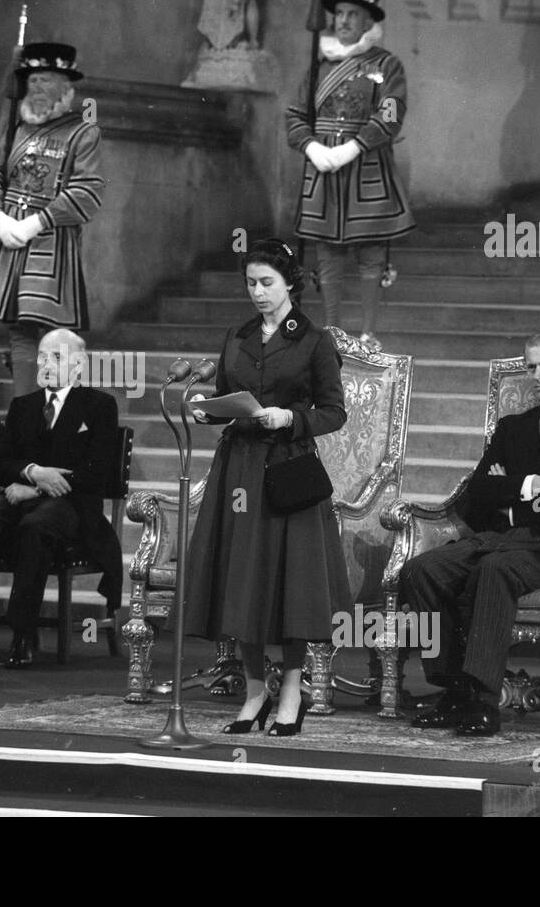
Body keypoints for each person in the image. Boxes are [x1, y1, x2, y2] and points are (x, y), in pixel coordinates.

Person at [399, 332, 540, 737]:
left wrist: (511, 495)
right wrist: (534, 484)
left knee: (495, 570)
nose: (537, 375)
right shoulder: (511, 428)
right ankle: (454, 690)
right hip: (497, 539)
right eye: (531, 367)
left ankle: (484, 701)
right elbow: (476, 497)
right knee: (420, 570)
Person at [183, 239, 350, 737]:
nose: (257, 292)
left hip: (288, 470)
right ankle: (255, 693)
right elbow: (225, 396)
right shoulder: (236, 336)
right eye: (251, 283)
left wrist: (290, 417)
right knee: (244, 583)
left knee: (289, 587)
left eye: (267, 283)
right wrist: (205, 408)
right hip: (238, 468)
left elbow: (334, 412)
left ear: (290, 283)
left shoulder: (314, 340)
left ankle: (292, 693)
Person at [286, 0, 415, 351]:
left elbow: (391, 114)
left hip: (366, 166)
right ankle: (332, 333)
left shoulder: (387, 65)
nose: (342, 21)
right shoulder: (318, 66)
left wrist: (354, 147)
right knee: (327, 252)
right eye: (339, 13)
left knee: (371, 252)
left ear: (367, 22)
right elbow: (294, 115)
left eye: (352, 14)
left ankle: (369, 333)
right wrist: (311, 147)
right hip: (323, 168)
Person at [0, 328, 120, 668]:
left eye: (56, 357)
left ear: (78, 364)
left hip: (73, 505)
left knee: (36, 527)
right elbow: (0, 465)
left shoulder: (99, 406)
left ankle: (22, 633)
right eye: (42, 357)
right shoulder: (22, 406)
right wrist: (31, 471)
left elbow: (96, 472)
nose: (46, 364)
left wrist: (38, 486)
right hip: (21, 495)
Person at [0, 42, 105, 397]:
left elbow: (87, 192)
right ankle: (23, 408)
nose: (36, 88)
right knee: (18, 329)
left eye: (46, 80)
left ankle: (52, 409)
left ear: (66, 87)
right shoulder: (14, 130)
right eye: (32, 80)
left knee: (48, 329)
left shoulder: (83, 132)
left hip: (50, 242)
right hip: (9, 241)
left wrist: (35, 223)